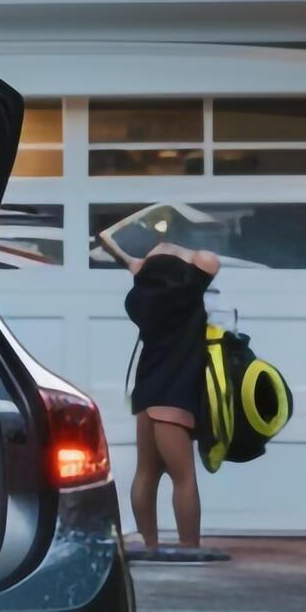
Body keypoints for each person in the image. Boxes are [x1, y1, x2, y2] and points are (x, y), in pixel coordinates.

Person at [97, 228, 222, 554]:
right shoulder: (186, 293)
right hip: (174, 396)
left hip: (147, 394)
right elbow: (209, 260)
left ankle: (150, 544)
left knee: (146, 474)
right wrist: (179, 248)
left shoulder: (141, 300)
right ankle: (190, 545)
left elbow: (140, 269)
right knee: (183, 477)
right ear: (178, 272)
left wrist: (142, 263)